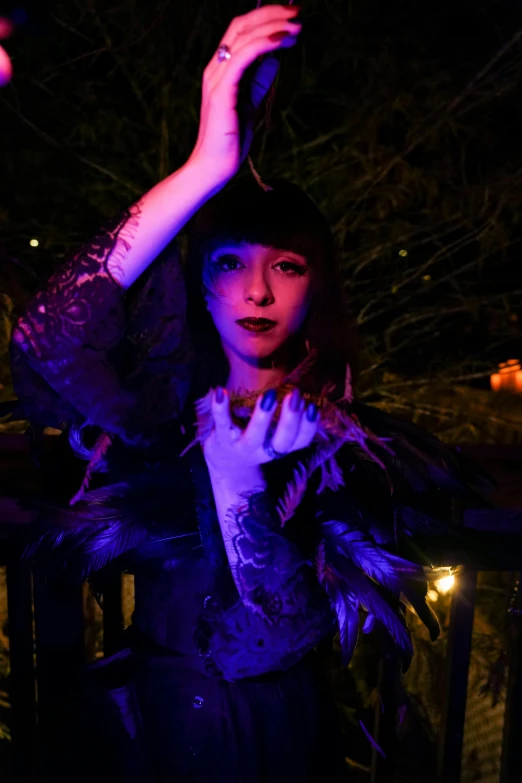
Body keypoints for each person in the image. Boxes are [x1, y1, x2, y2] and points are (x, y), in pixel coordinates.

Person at [5, 4, 481, 782]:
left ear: (315, 283)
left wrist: (238, 484)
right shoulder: (157, 412)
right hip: (144, 736)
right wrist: (206, 166)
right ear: (199, 280)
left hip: (269, 744)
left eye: (286, 265)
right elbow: (45, 340)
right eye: (230, 262)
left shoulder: (346, 443)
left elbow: (261, 641)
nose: (257, 289)